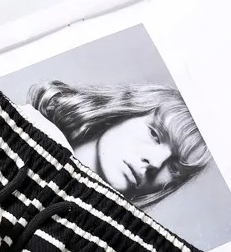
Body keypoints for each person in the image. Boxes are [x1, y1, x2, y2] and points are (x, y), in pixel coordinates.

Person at [28, 79, 211, 208]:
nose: (155, 163)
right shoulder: (25, 130)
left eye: (174, 168)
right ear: (125, 111)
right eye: (154, 134)